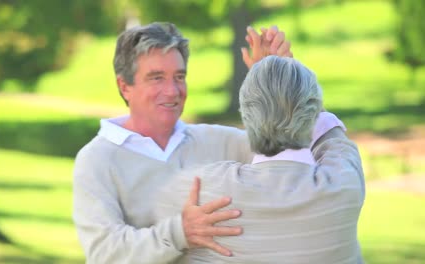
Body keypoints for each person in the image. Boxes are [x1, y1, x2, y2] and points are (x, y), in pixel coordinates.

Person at [72, 22, 295, 263]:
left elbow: (295, 161)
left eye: (179, 77)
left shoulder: (219, 141)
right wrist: (181, 233)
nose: (172, 91)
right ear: (124, 86)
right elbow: (105, 254)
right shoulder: (96, 160)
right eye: (156, 78)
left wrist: (280, 83)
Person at [155, 56, 365, 263]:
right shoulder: (344, 183)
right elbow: (332, 138)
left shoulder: (204, 188)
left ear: (246, 114)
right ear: (312, 112)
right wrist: (291, 85)